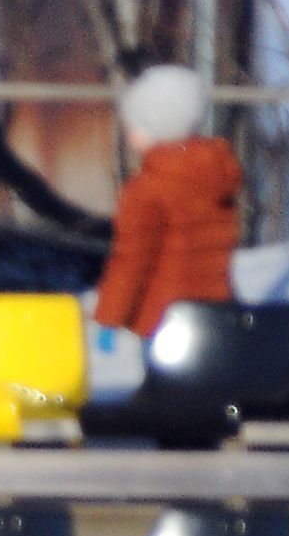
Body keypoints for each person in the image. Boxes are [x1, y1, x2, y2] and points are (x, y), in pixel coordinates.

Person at [92, 66, 238, 341]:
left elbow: (132, 260)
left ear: (154, 126)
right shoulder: (216, 175)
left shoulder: (147, 190)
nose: (127, 130)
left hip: (162, 319)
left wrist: (110, 317)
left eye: (133, 124)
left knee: (163, 371)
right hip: (216, 313)